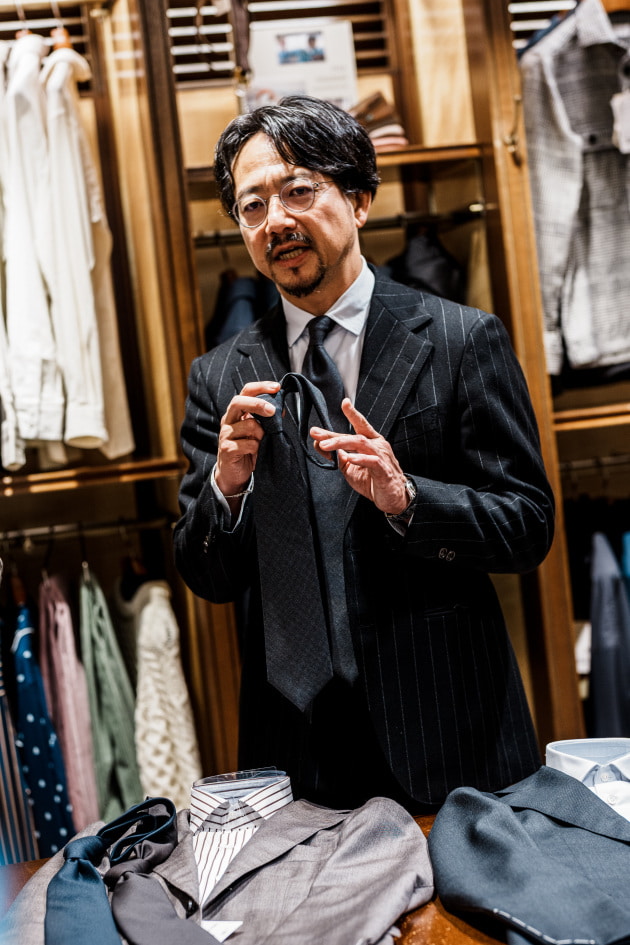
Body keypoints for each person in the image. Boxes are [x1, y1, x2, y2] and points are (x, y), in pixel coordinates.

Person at [174, 94, 555, 814]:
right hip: (296, 755)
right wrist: (226, 488)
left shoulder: (461, 340)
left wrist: (409, 499)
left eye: (298, 190)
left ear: (359, 200)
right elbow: (208, 576)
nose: (275, 220)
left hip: (450, 732)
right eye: (252, 206)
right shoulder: (219, 378)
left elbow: (528, 525)